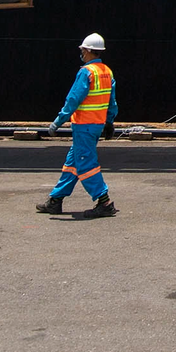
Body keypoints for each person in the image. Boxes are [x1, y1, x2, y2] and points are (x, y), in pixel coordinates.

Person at [36, 32, 117, 218]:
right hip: (96, 126)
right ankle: (55, 201)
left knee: (85, 164)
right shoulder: (107, 71)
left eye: (82, 50)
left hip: (84, 126)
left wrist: (58, 122)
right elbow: (112, 102)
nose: (81, 54)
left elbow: (73, 99)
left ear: (88, 51)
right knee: (72, 164)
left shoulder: (86, 72)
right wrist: (109, 122)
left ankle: (104, 202)